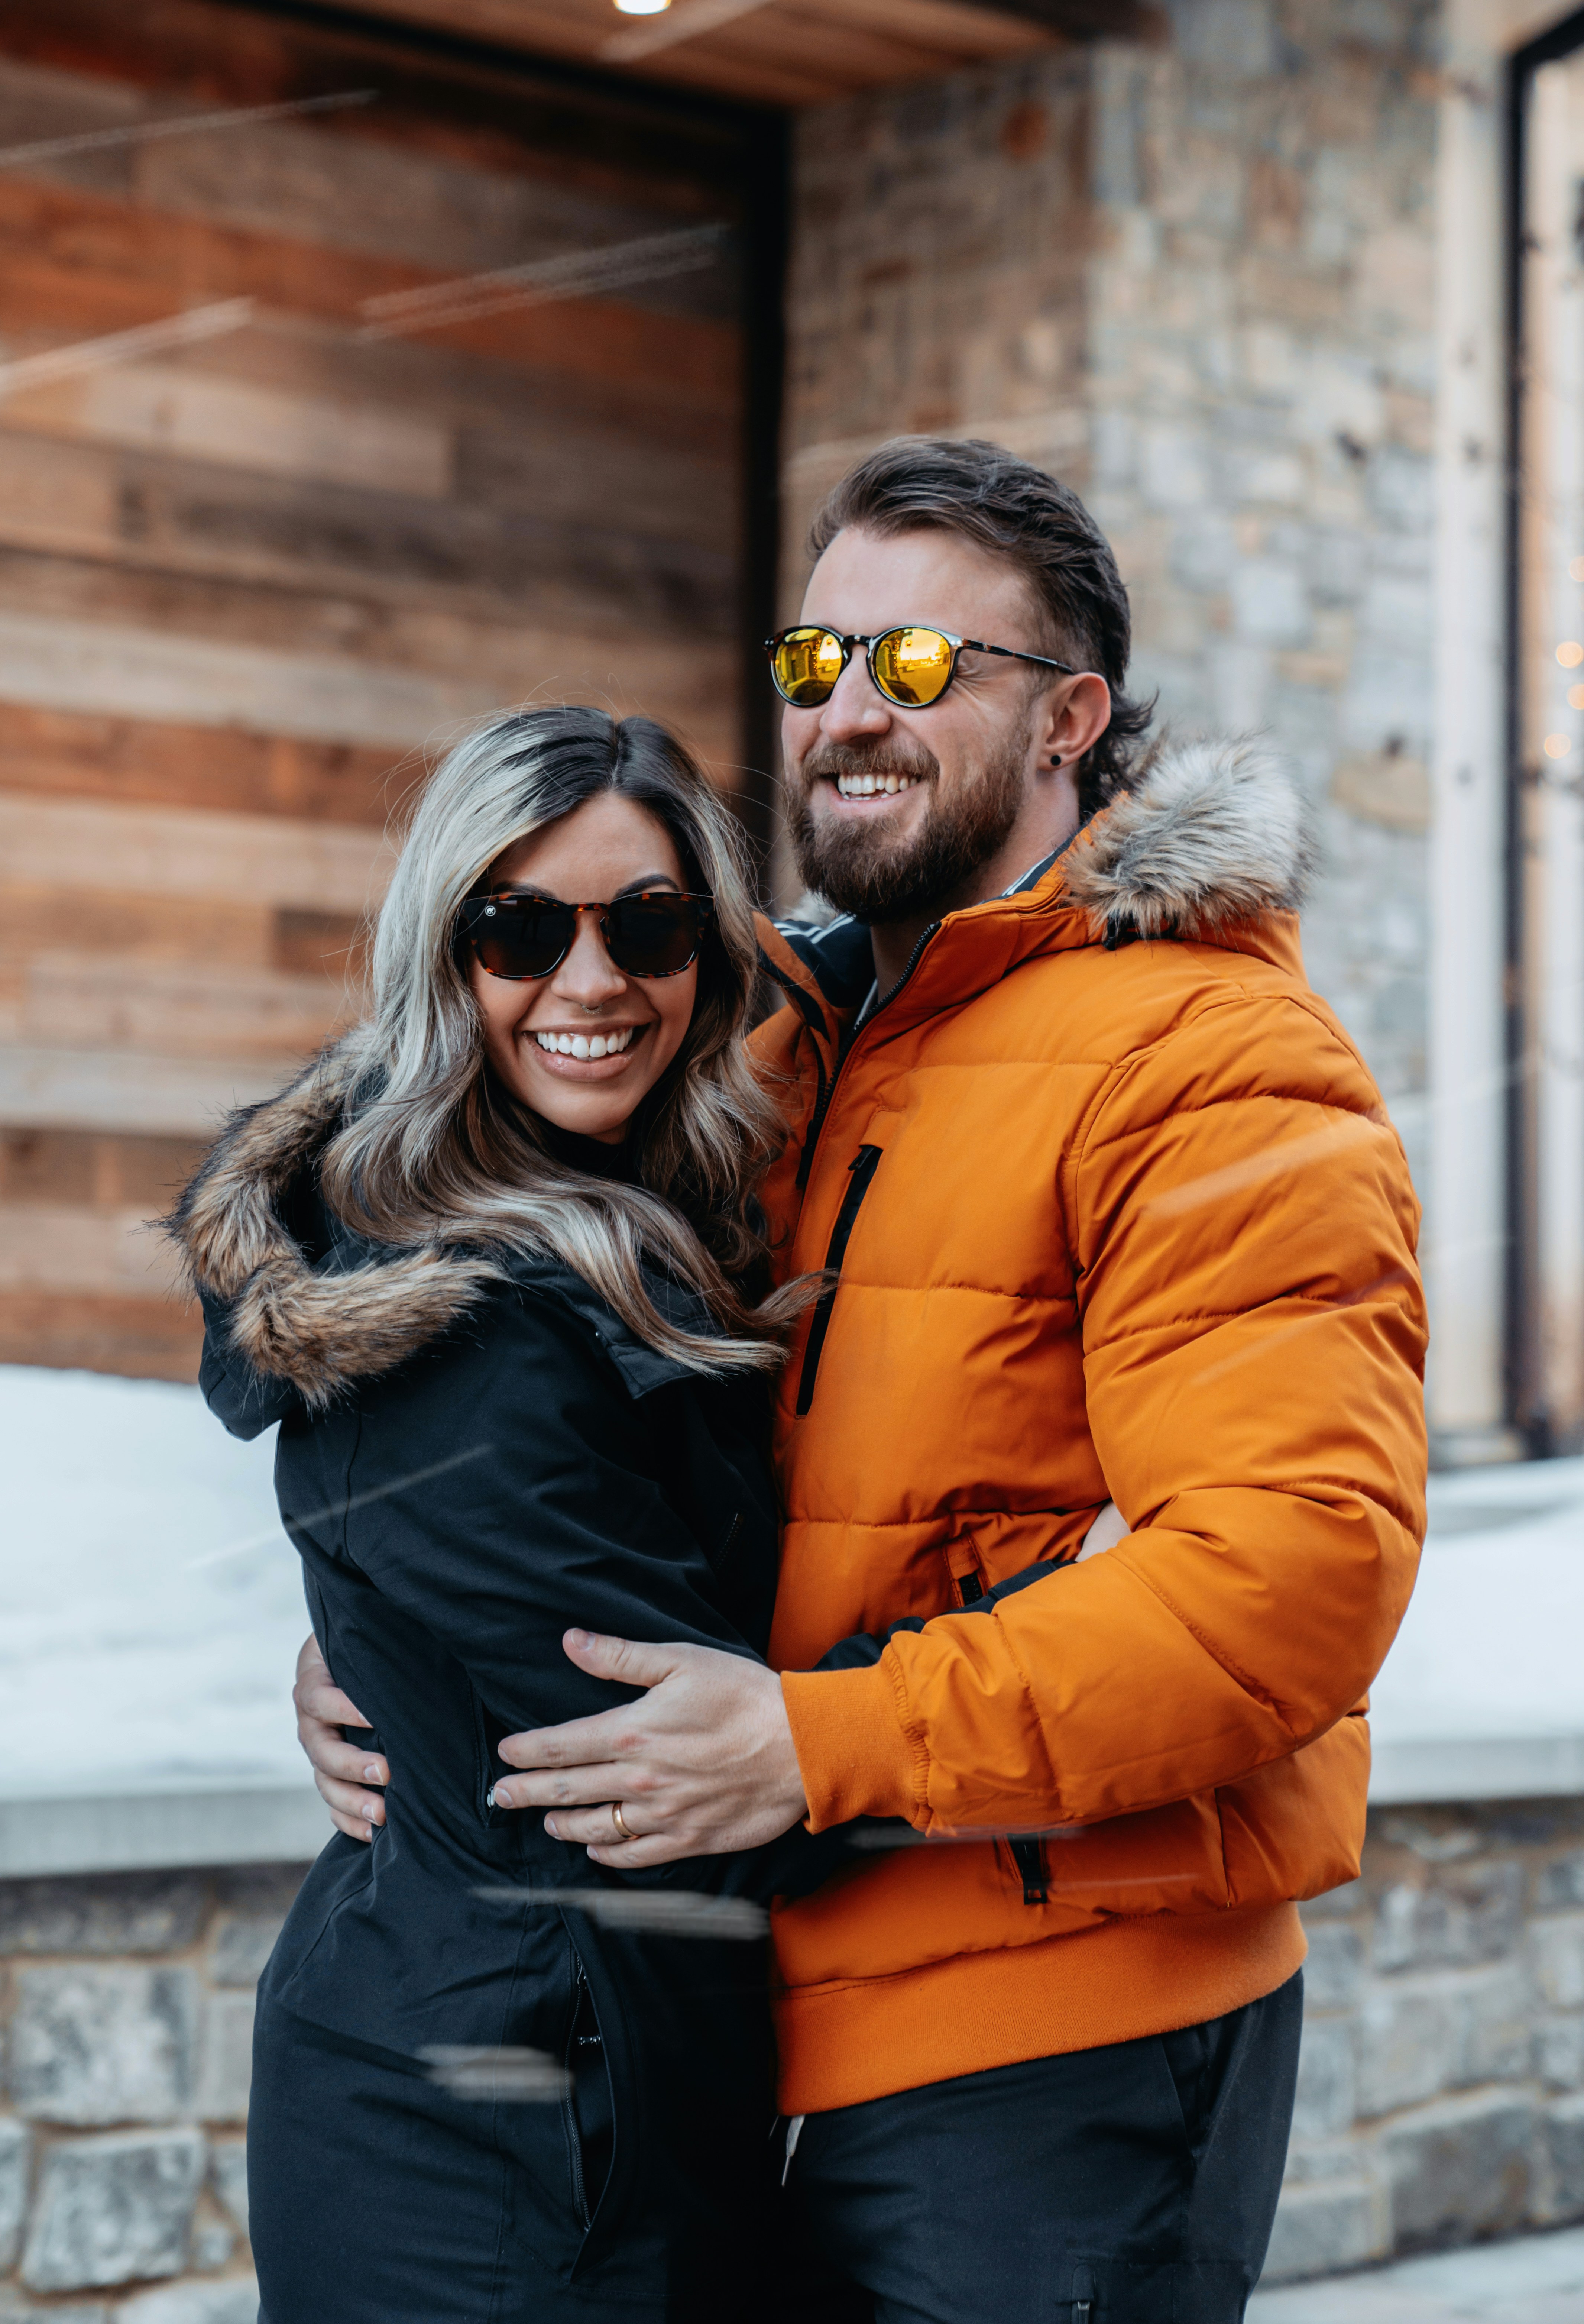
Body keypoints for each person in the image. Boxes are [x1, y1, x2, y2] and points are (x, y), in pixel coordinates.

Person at [298, 439, 1429, 2323]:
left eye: (918, 669)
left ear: (1070, 717)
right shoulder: (788, 1046)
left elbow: (1288, 1576)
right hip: (758, 2035)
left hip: (1049, 2051)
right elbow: (647, 1451)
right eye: (816, 663)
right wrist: (408, 1646)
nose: (847, 713)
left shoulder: (1214, 1060)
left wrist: (821, 1747)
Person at [168, 707, 850, 2324]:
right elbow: (672, 1752)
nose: (593, 981)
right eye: (520, 928)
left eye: (651, 923)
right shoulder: (456, 1323)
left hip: (578, 2076)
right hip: (486, 2133)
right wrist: (1033, 1646)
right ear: (442, 957)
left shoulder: (621, 1219)